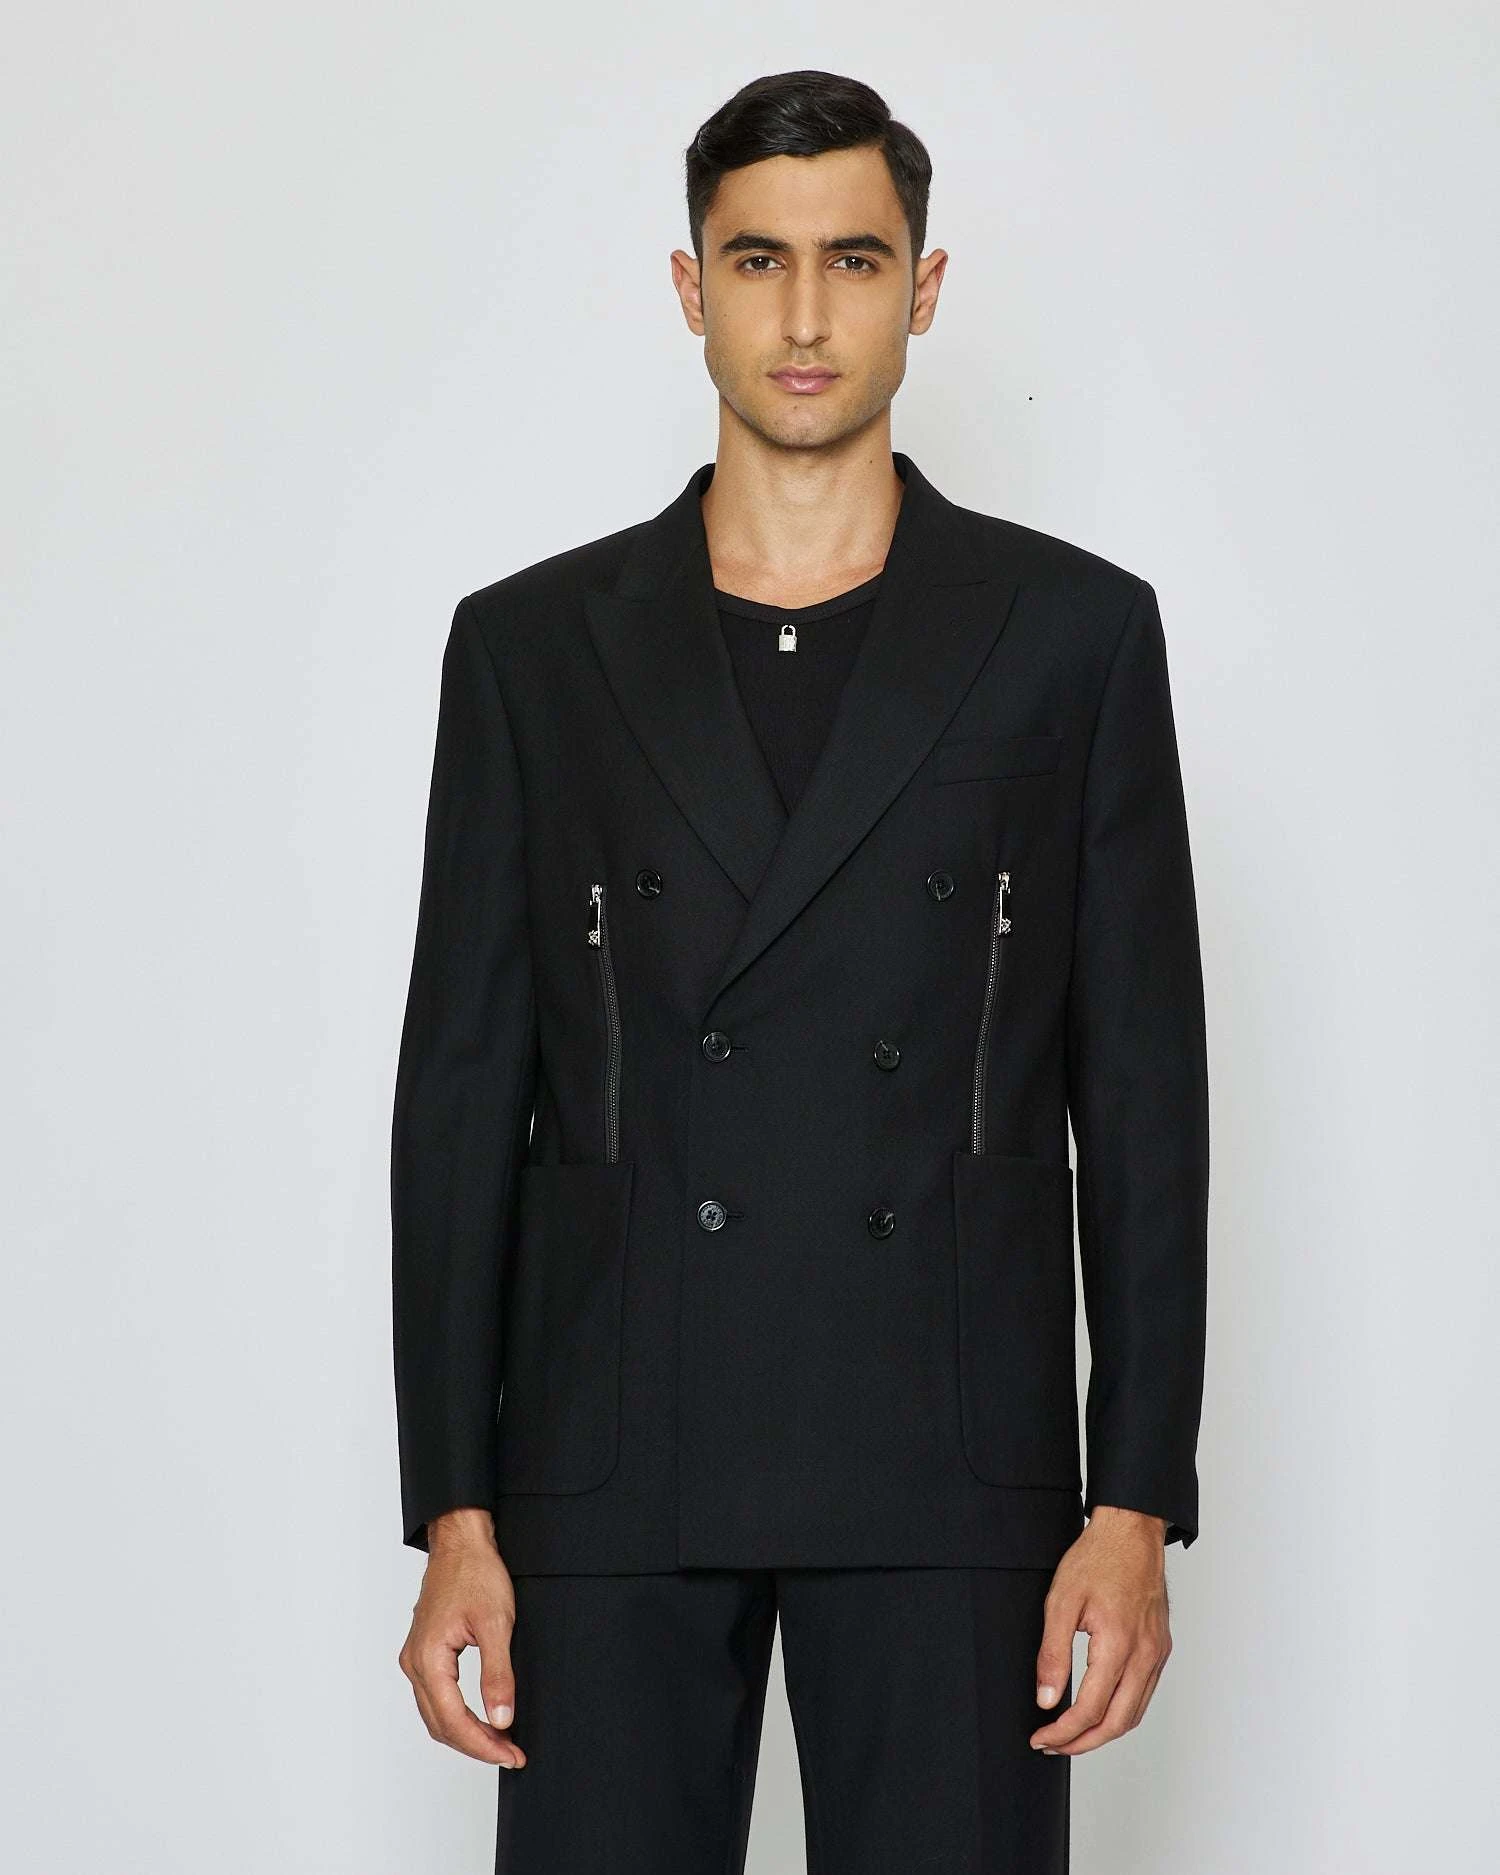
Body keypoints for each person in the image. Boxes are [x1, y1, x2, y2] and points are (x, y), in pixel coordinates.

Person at [392, 68, 1209, 1875]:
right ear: (693, 290)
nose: (808, 314)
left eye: (856, 258)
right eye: (760, 260)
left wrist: (1135, 1496)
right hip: (614, 1452)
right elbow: (459, 1099)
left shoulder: (1071, 636)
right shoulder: (533, 649)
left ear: (925, 287)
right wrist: (453, 1506)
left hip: (952, 1454)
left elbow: (1146, 1095)